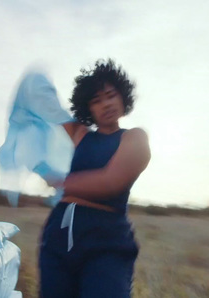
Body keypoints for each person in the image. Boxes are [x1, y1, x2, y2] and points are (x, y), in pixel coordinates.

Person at [39, 59, 151, 298]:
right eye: (96, 101)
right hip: (58, 233)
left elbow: (109, 182)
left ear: (122, 96)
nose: (106, 104)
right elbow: (46, 114)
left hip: (106, 241)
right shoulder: (79, 134)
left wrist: (59, 181)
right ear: (88, 108)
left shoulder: (134, 138)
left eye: (110, 96)